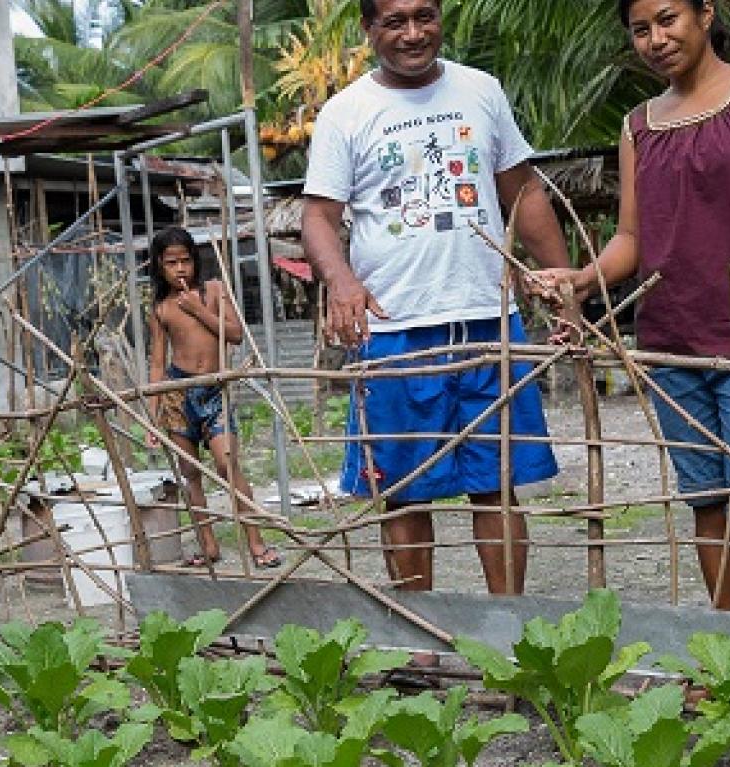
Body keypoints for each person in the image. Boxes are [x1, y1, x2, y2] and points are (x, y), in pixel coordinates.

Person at [533, 0, 730, 614]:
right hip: (670, 342)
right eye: (642, 30)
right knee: (709, 505)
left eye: (668, 20)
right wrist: (584, 279)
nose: (657, 39)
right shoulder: (639, 126)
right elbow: (633, 239)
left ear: (705, 14)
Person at [300, 0, 570, 597]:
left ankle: (508, 632)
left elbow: (522, 191)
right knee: (402, 489)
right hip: (396, 327)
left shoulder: (481, 90)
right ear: (369, 30)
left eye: (425, 16)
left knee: (497, 484)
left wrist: (564, 282)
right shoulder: (346, 112)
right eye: (394, 21)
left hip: (486, 316)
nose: (413, 33)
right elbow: (318, 216)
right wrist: (342, 281)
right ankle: (422, 634)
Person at [145, 227, 283, 570]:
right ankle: (208, 546)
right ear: (160, 267)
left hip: (215, 389)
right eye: (171, 263)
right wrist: (152, 414)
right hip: (178, 393)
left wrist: (198, 310)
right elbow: (158, 364)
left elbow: (235, 335)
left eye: (185, 261)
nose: (180, 269)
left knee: (226, 463)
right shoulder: (161, 309)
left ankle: (255, 542)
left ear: (195, 261)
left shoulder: (215, 291)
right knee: (189, 471)